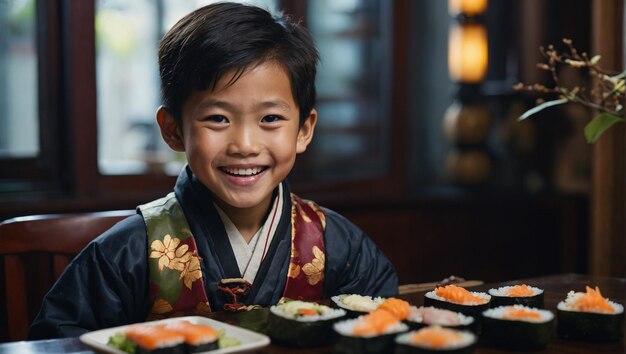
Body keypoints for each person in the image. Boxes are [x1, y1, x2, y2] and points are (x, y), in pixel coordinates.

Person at [29, 2, 398, 339]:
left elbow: (383, 329)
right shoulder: (124, 254)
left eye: (270, 118)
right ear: (173, 129)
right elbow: (57, 343)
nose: (245, 144)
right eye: (218, 118)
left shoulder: (341, 246)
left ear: (304, 130)